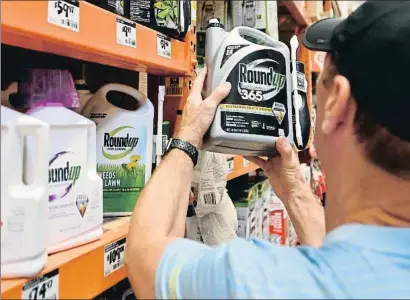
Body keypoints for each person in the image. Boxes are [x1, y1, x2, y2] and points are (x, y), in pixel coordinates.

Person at [125, 1, 410, 298]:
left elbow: (144, 257)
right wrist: (295, 191)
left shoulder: (258, 281)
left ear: (336, 102)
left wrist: (189, 135)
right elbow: (353, 267)